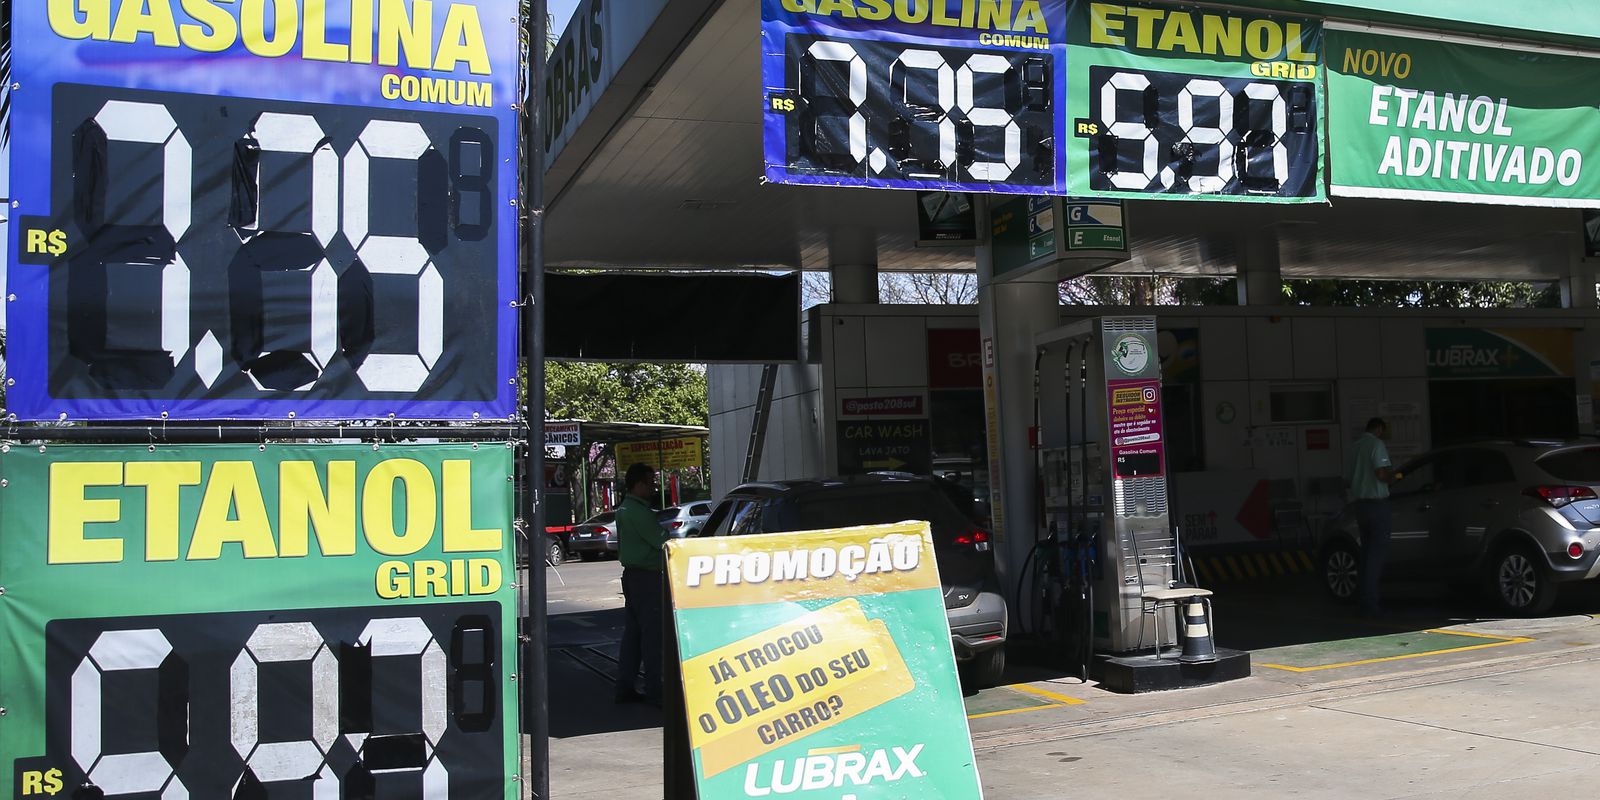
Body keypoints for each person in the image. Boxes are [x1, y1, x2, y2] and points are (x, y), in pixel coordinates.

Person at [614, 462, 666, 705]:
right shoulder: (639, 512)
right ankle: (655, 689)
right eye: (650, 483)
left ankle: (625, 686)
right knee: (652, 636)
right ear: (638, 484)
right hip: (648, 578)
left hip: (632, 577)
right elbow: (661, 541)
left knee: (633, 635)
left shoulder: (624, 508)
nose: (654, 488)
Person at [1346, 417, 1395, 616]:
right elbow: (1381, 474)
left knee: (1366, 554)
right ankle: (1371, 603)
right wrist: (1393, 477)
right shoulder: (1377, 444)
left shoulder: (1355, 447)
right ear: (1379, 429)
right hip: (1377, 505)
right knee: (1376, 555)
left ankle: (1364, 599)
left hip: (1360, 505)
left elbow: (1348, 479)